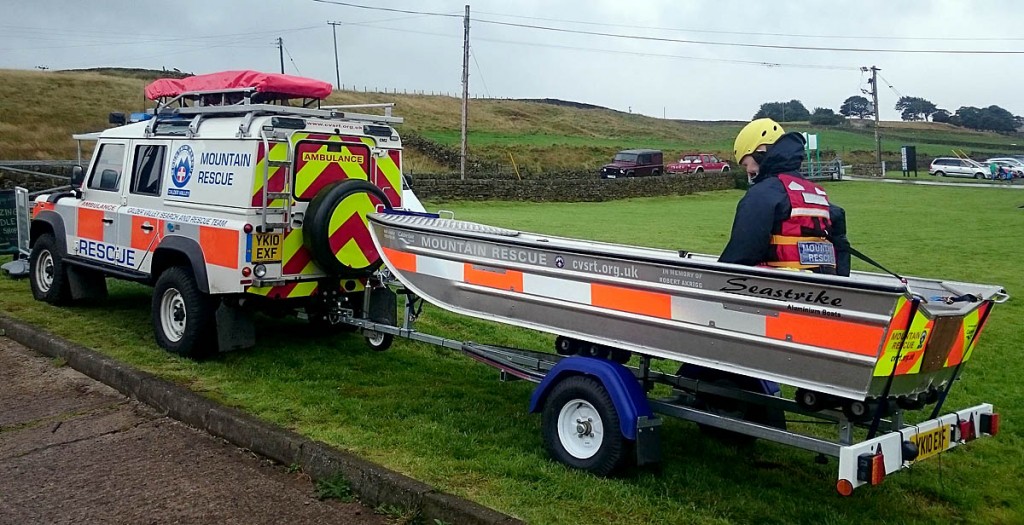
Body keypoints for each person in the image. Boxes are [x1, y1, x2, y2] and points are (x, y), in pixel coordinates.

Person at [719, 118, 851, 276]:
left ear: (760, 151)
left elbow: (742, 252)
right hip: (823, 288)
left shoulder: (762, 194)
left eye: (746, 164)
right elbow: (841, 248)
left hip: (777, 290)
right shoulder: (815, 192)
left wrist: (714, 277)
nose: (748, 171)